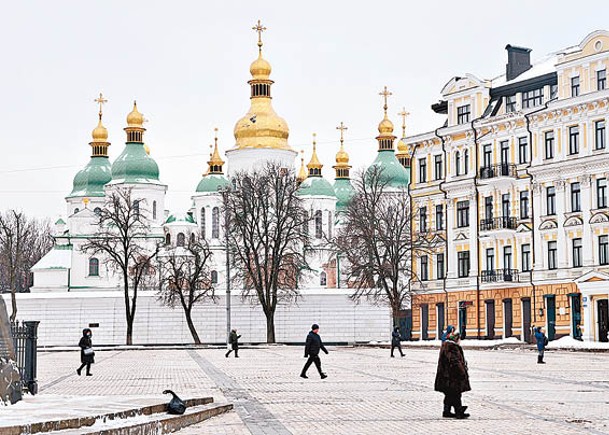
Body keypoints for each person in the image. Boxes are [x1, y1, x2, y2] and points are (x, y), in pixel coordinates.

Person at [434, 332, 470, 419]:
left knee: (449, 394)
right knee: (456, 394)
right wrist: (462, 372)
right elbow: (455, 362)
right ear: (456, 340)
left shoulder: (446, 346)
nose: (460, 341)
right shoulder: (452, 348)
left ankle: (447, 411)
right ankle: (459, 411)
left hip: (446, 376)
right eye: (459, 339)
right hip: (452, 376)